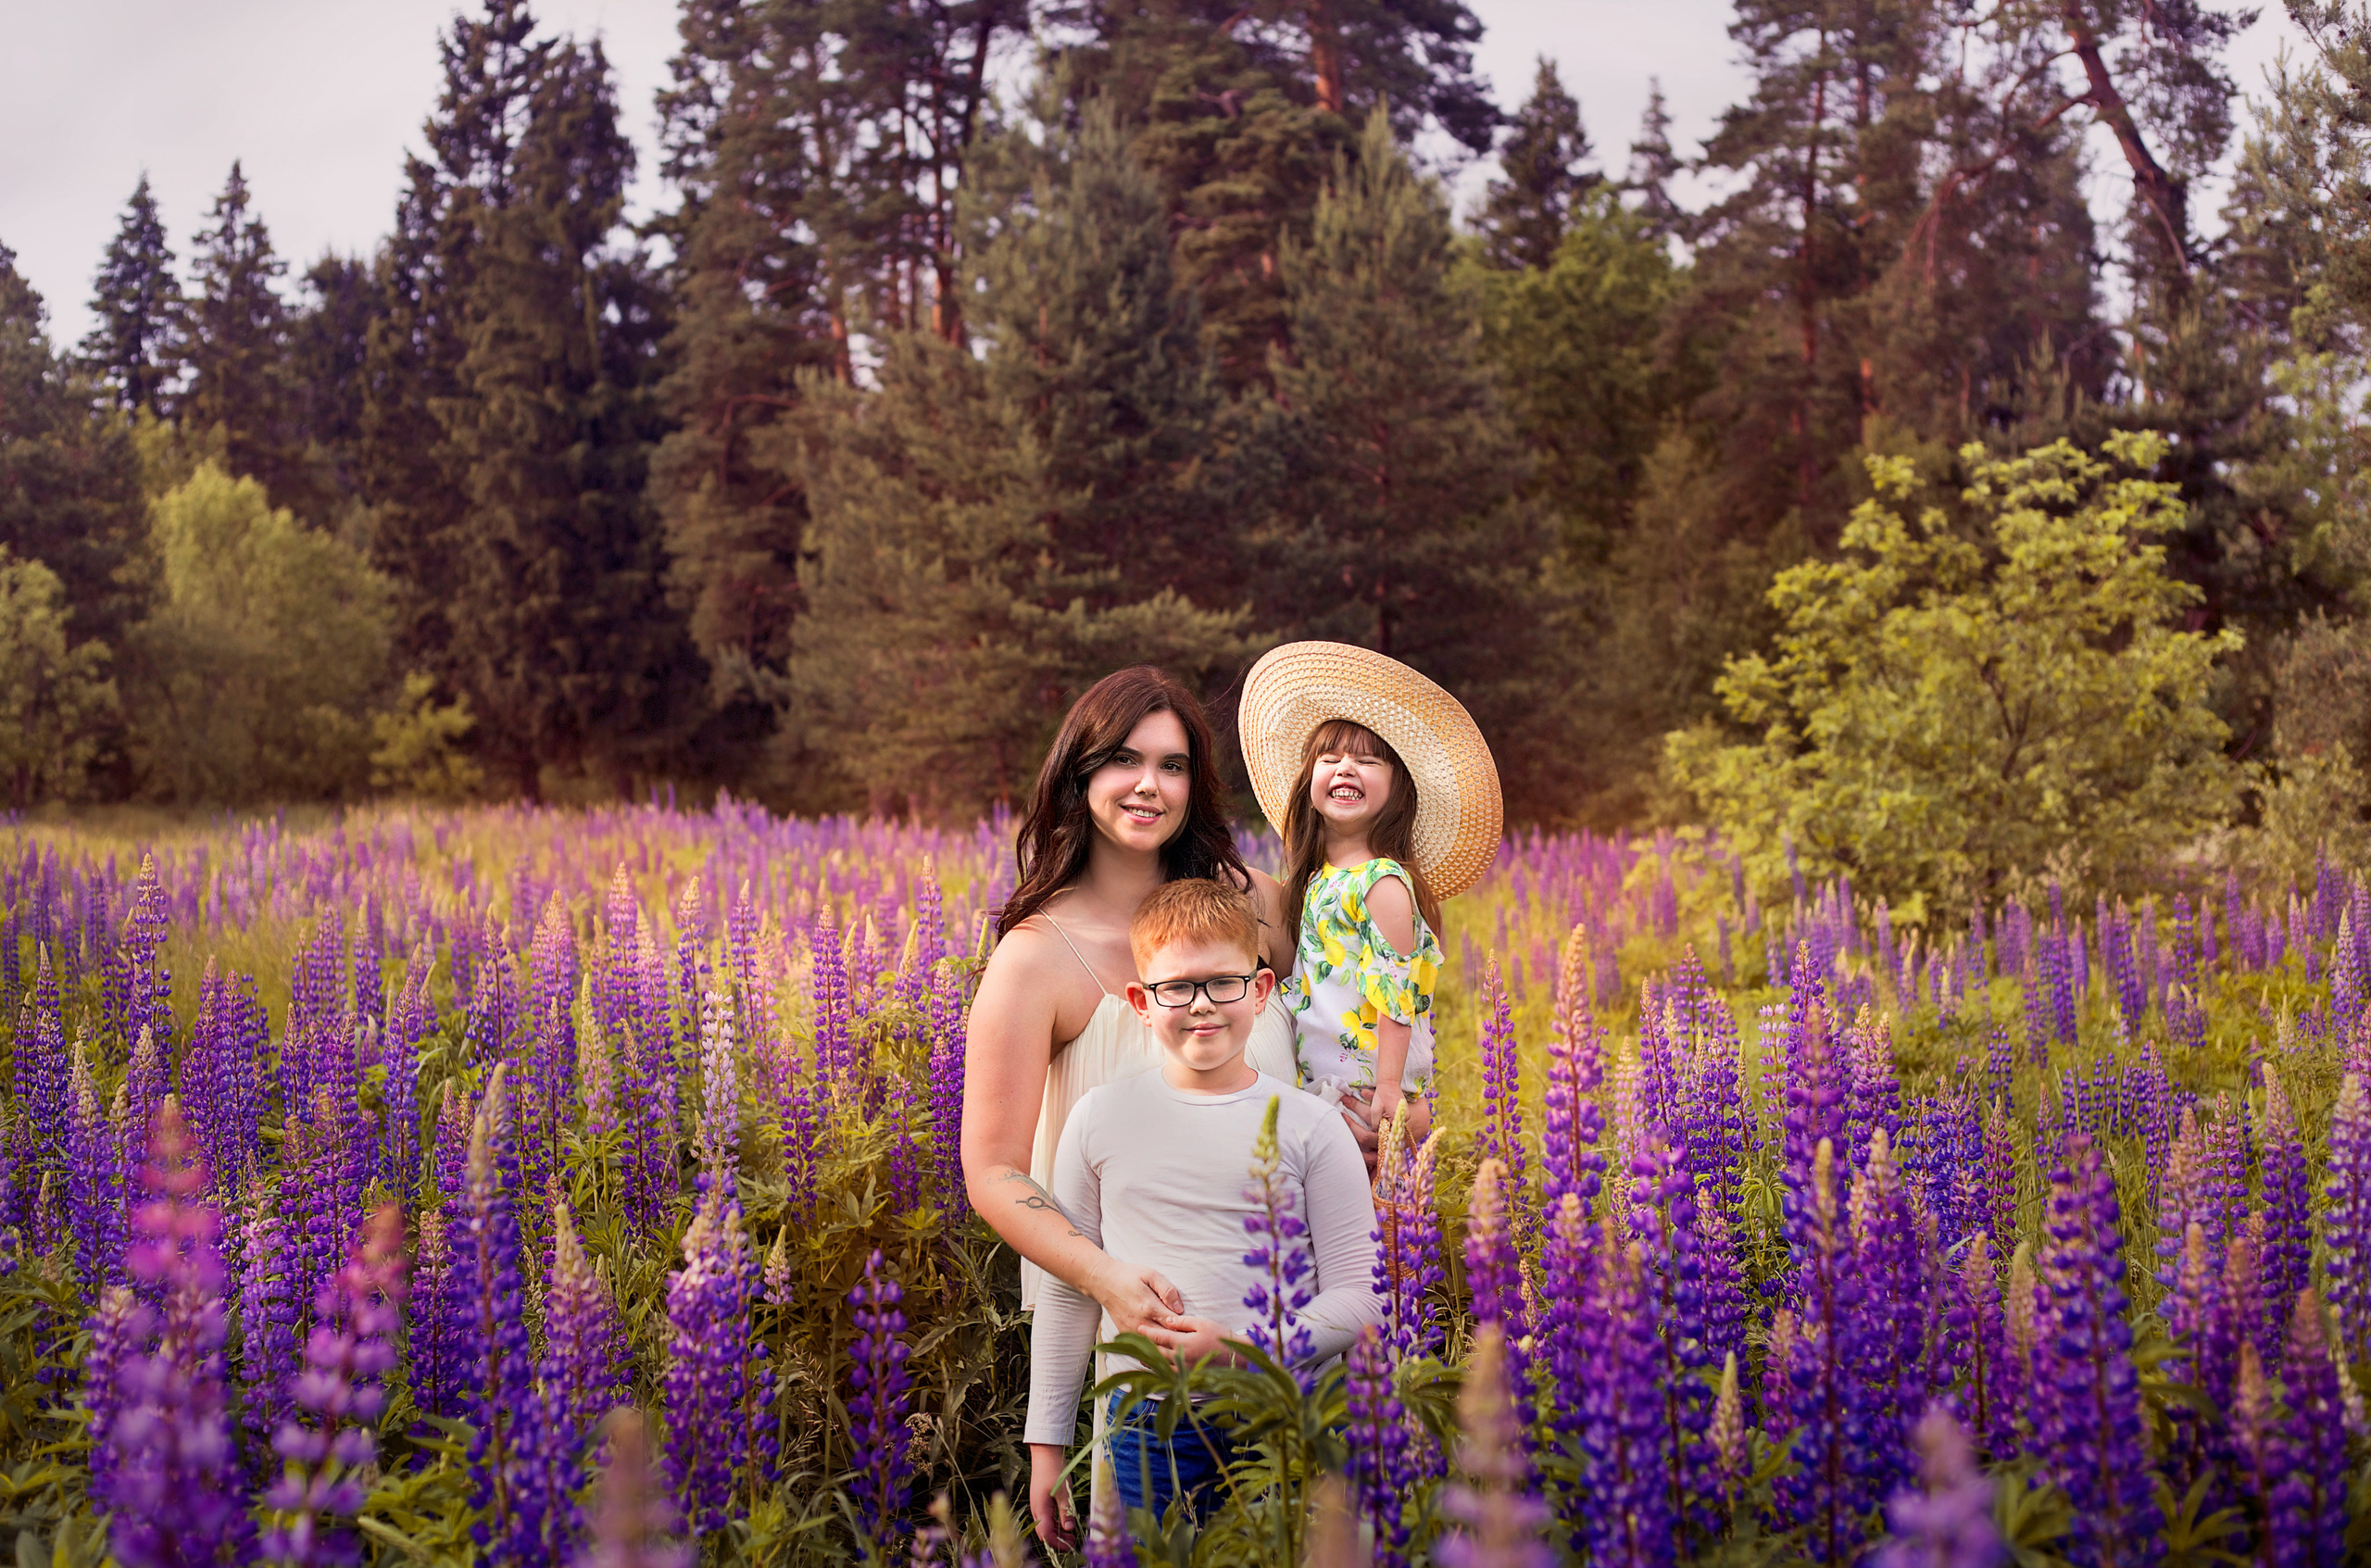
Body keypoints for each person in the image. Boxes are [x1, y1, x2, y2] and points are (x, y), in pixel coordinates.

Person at [963, 667, 1329, 1339]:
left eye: (1172, 764)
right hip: (1131, 1330)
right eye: (1123, 759)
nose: (1148, 784)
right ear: (1079, 772)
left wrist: (1383, 1112)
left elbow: (1367, 1007)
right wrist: (1104, 1275)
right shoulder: (1036, 957)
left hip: (1289, 1314)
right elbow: (992, 1169)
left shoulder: (1260, 906)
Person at [1024, 879, 1381, 1543]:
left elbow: (1362, 1300)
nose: (1201, 1005)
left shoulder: (1312, 1126)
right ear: (1140, 1000)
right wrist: (1047, 1443)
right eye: (1176, 987)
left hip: (1283, 1411)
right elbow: (1070, 1291)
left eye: (1224, 982)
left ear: (1262, 989)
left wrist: (1248, 1350)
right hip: (1146, 1421)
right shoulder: (1100, 1116)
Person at [1237, 642, 1504, 1139]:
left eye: (1367, 761)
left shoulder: (1381, 881)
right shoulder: (1316, 878)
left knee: (1377, 1209)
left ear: (1398, 790)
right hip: (1320, 1078)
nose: (1345, 768)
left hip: (1365, 1086)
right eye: (1329, 758)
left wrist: (1388, 1091)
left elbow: (1395, 989)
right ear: (1308, 782)